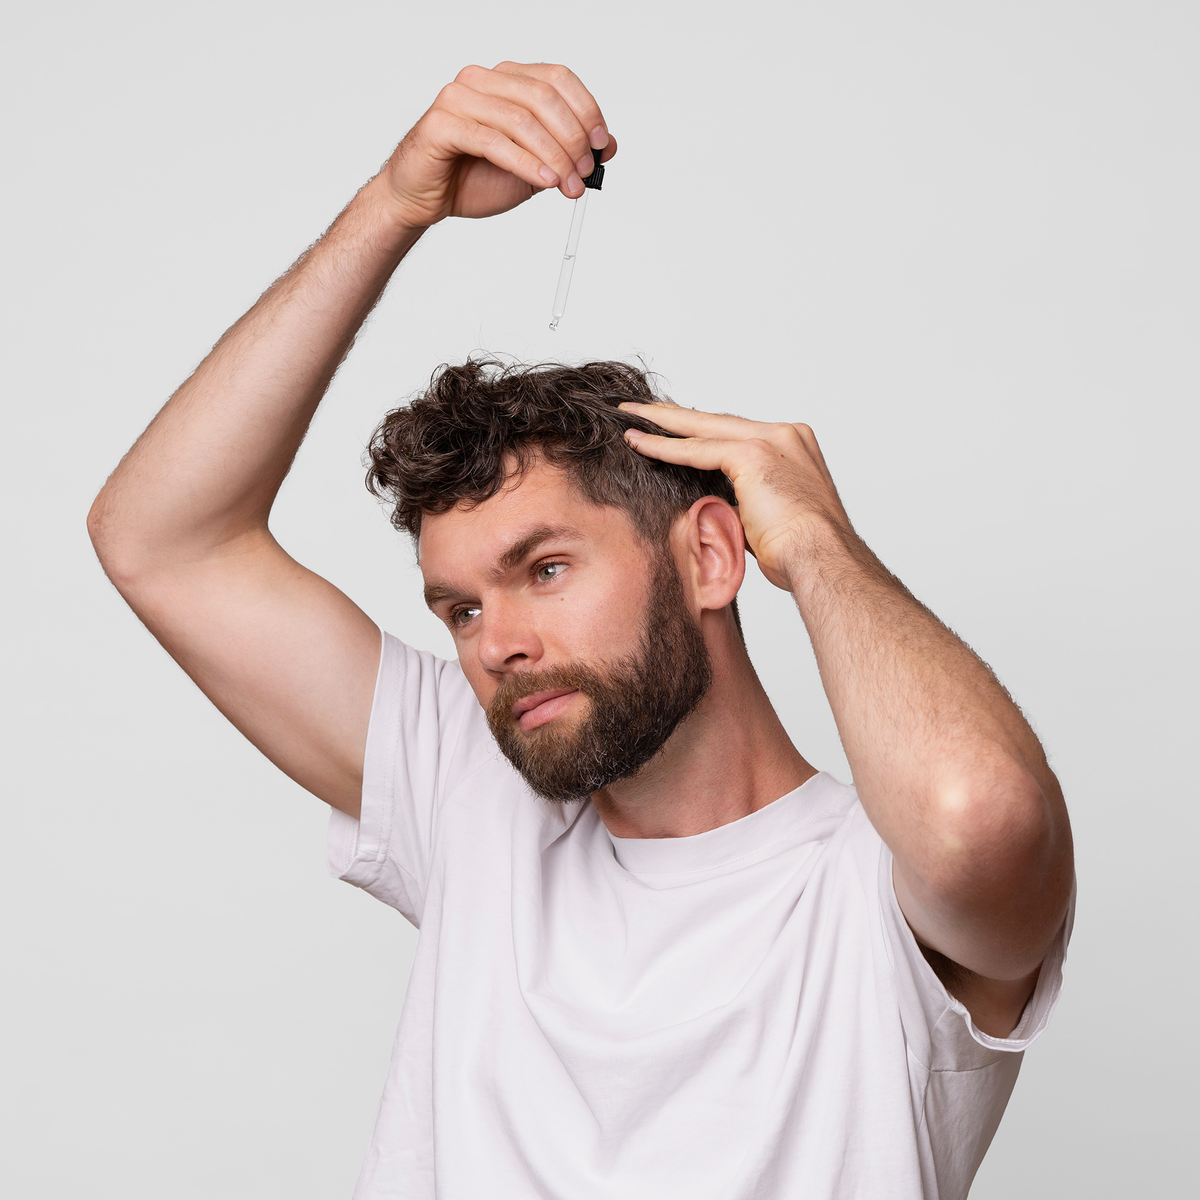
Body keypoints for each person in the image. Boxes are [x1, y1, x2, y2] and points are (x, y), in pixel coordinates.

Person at [87, 62, 1075, 1200]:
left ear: (710, 556)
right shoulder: (475, 798)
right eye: (459, 607)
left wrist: (812, 543)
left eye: (543, 569)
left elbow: (981, 817)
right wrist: (396, 204)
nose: (492, 642)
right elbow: (160, 538)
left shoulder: (876, 897)